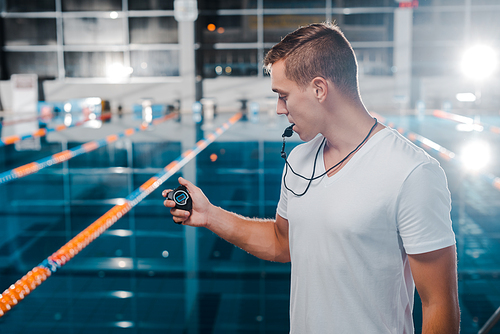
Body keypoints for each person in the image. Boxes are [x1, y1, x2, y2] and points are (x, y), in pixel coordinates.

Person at [163, 22, 460, 333]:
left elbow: (439, 302)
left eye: (283, 95)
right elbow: (282, 242)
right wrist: (210, 216)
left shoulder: (411, 172)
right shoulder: (300, 159)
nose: (279, 109)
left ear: (319, 89)